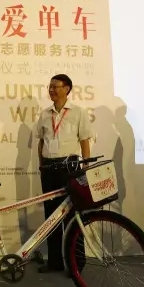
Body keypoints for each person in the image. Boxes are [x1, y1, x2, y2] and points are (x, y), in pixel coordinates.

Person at [35, 74, 93, 274]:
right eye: (49, 86)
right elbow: (41, 141)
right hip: (49, 168)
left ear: (67, 88)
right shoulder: (45, 114)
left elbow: (85, 141)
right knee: (51, 216)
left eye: (55, 86)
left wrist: (85, 167)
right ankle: (55, 262)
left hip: (70, 167)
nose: (51, 90)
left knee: (72, 216)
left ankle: (76, 263)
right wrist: (41, 165)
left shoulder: (78, 112)